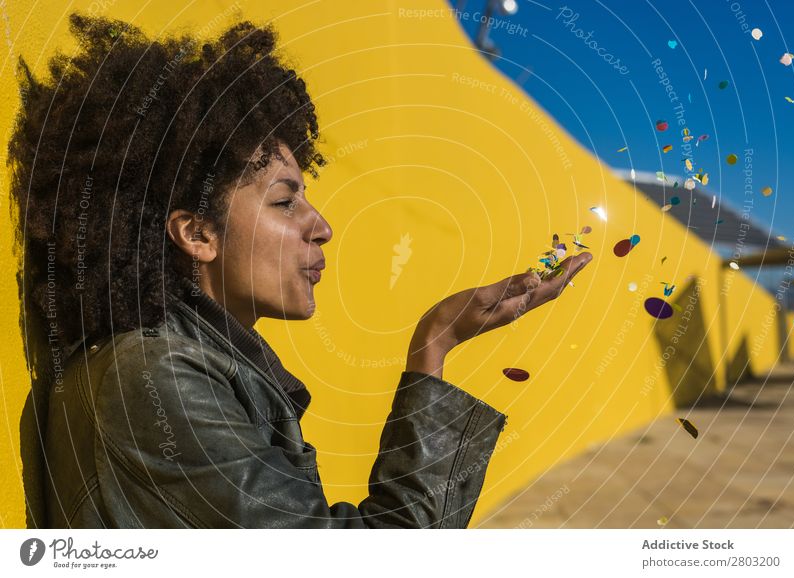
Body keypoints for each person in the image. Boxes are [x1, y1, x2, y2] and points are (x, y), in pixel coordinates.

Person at [7, 13, 592, 528]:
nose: (322, 226)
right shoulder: (157, 380)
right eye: (285, 202)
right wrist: (432, 353)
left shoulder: (163, 362)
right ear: (198, 233)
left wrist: (434, 342)